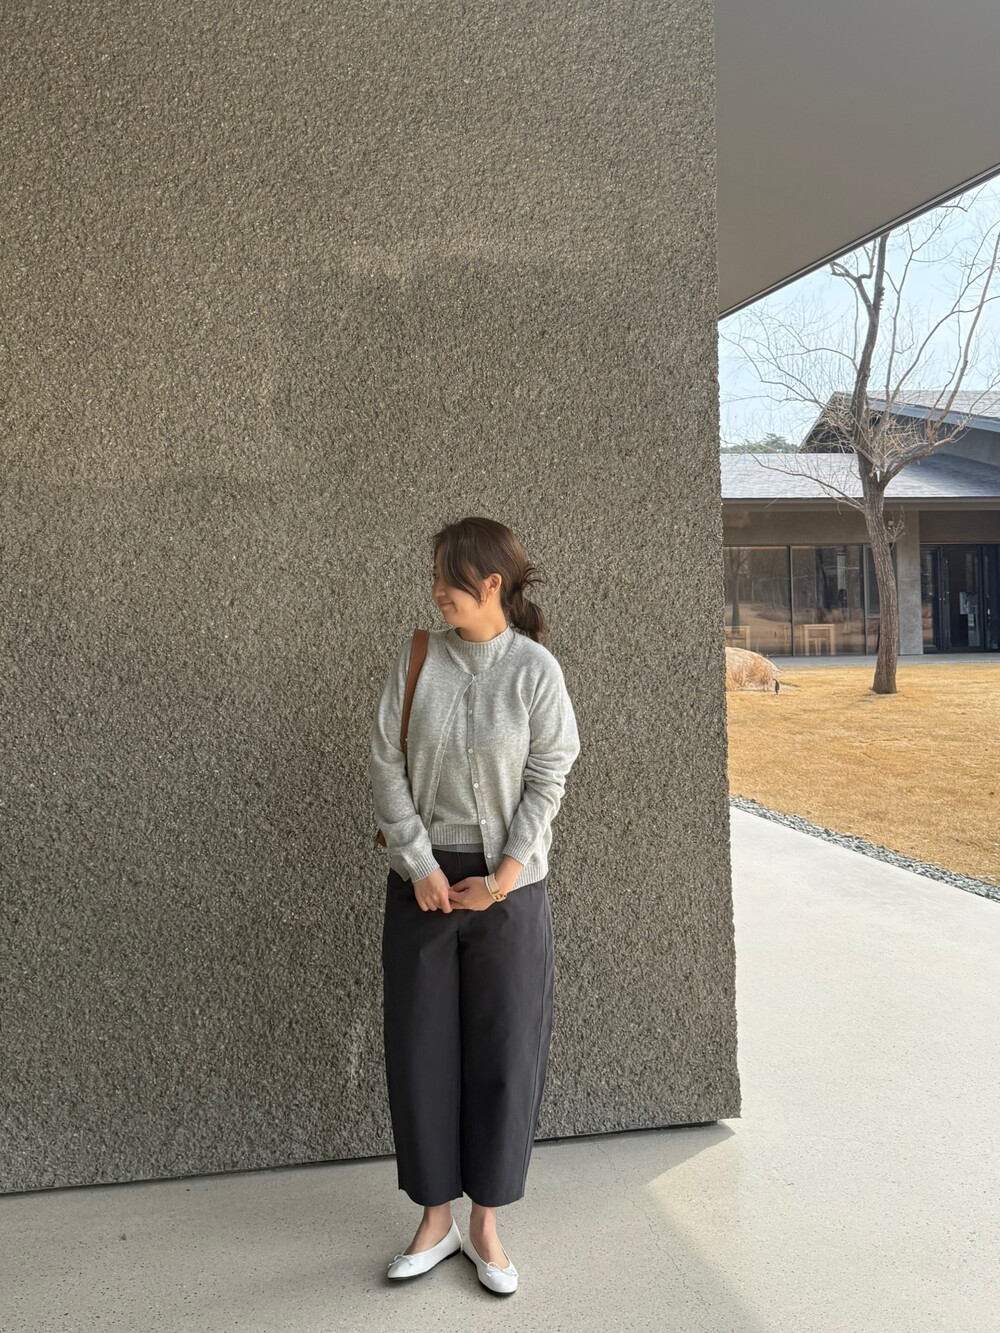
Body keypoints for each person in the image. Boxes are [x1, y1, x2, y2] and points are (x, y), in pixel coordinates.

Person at [369, 515, 581, 1295]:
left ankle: (485, 1222)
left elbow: (551, 773)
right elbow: (384, 761)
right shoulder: (418, 658)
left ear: (492, 584)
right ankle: (436, 1218)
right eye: (433, 576)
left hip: (509, 892)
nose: (436, 591)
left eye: (449, 578)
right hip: (421, 885)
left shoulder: (534, 670)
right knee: (421, 1049)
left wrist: (504, 875)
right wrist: (420, 864)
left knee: (504, 1050)